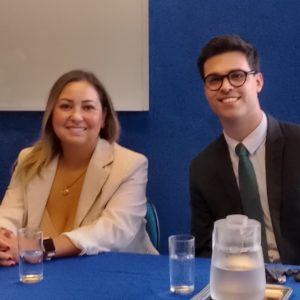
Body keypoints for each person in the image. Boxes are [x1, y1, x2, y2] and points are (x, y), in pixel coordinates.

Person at [0, 69, 157, 266]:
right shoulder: (29, 159)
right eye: (65, 106)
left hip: (119, 276)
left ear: (103, 117)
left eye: (88, 107)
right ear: (51, 114)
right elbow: (7, 216)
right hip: (45, 278)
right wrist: (3, 243)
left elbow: (112, 232)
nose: (76, 116)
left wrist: (38, 247)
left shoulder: (130, 165)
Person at [189, 34, 300, 264]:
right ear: (206, 91)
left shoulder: (296, 144)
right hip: (238, 282)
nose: (226, 86)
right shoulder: (202, 168)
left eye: (237, 76)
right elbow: (204, 252)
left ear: (258, 82)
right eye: (214, 80)